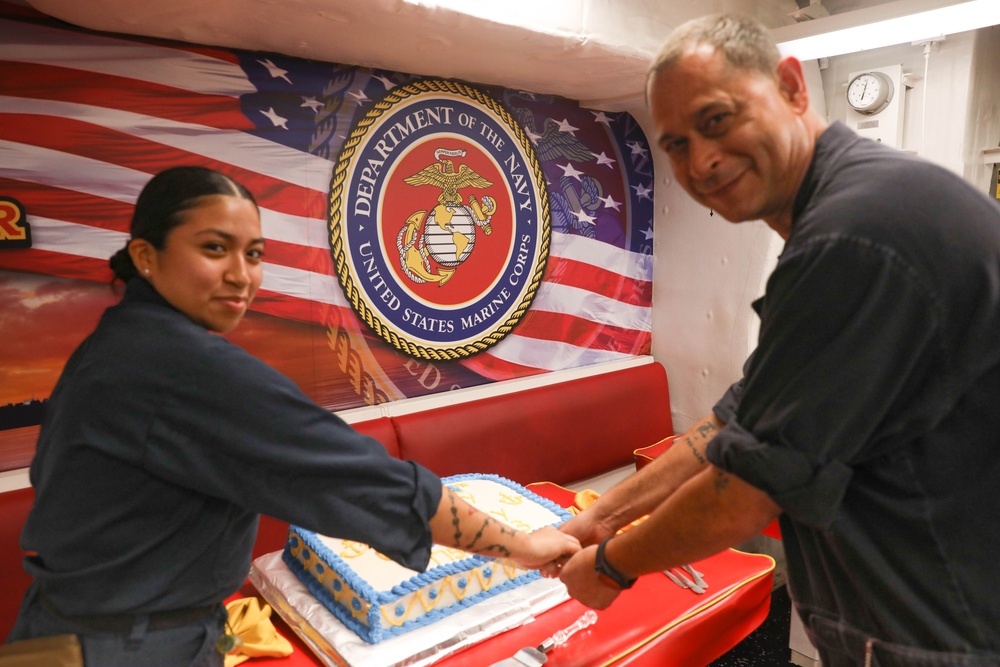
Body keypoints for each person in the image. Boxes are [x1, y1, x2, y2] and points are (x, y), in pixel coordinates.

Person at [553, 13, 1000, 667]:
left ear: (792, 87)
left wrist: (611, 566)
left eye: (717, 119)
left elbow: (746, 491)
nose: (700, 160)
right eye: (674, 143)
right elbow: (741, 414)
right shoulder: (851, 211)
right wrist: (602, 516)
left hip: (939, 635)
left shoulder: (856, 233)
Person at [6, 166, 580, 666]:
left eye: (253, 254)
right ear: (145, 257)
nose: (241, 275)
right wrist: (526, 547)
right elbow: (366, 482)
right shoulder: (184, 365)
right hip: (128, 648)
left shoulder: (114, 342)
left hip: (57, 630)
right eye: (214, 248)